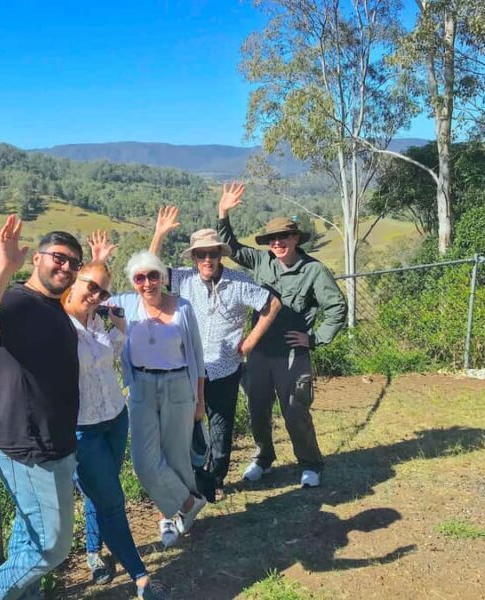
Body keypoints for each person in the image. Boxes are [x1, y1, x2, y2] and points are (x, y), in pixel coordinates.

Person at [0, 215, 82, 600]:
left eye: (73, 263)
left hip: (56, 440)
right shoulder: (15, 301)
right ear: (37, 260)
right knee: (54, 545)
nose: (66, 267)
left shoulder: (54, 308)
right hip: (27, 445)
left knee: (31, 533)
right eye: (58, 258)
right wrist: (3, 267)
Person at [216, 183, 347, 488]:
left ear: (295, 238)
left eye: (284, 237)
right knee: (258, 409)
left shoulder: (314, 271)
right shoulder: (263, 261)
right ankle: (264, 458)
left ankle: (311, 464)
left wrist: (314, 338)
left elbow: (337, 306)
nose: (278, 243)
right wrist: (223, 213)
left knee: (294, 410)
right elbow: (230, 247)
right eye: (273, 239)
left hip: (292, 353)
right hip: (260, 352)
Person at [61, 232, 168, 600]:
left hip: (113, 417)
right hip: (82, 428)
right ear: (74, 281)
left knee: (101, 491)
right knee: (111, 497)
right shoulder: (58, 325)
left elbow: (107, 360)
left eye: (103, 292)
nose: (97, 296)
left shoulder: (95, 321)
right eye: (91, 287)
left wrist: (120, 331)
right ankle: (139, 576)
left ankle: (94, 551)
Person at [149, 206, 282, 497]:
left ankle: (215, 480)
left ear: (220, 254)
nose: (207, 259)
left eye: (212, 253)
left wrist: (250, 341)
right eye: (201, 254)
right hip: (187, 366)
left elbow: (272, 304)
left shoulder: (239, 283)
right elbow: (149, 271)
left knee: (221, 425)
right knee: (187, 424)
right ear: (194, 257)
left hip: (225, 366)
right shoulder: (183, 279)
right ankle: (190, 477)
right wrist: (159, 234)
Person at [107, 246, 207, 549]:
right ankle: (190, 503)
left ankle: (171, 516)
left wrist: (200, 399)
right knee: (143, 461)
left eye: (153, 275)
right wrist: (99, 258)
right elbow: (90, 293)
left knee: (177, 455)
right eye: (139, 278)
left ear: (162, 277)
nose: (147, 283)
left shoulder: (183, 307)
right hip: (141, 385)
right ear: (132, 282)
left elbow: (197, 357)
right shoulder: (124, 305)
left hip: (179, 384)